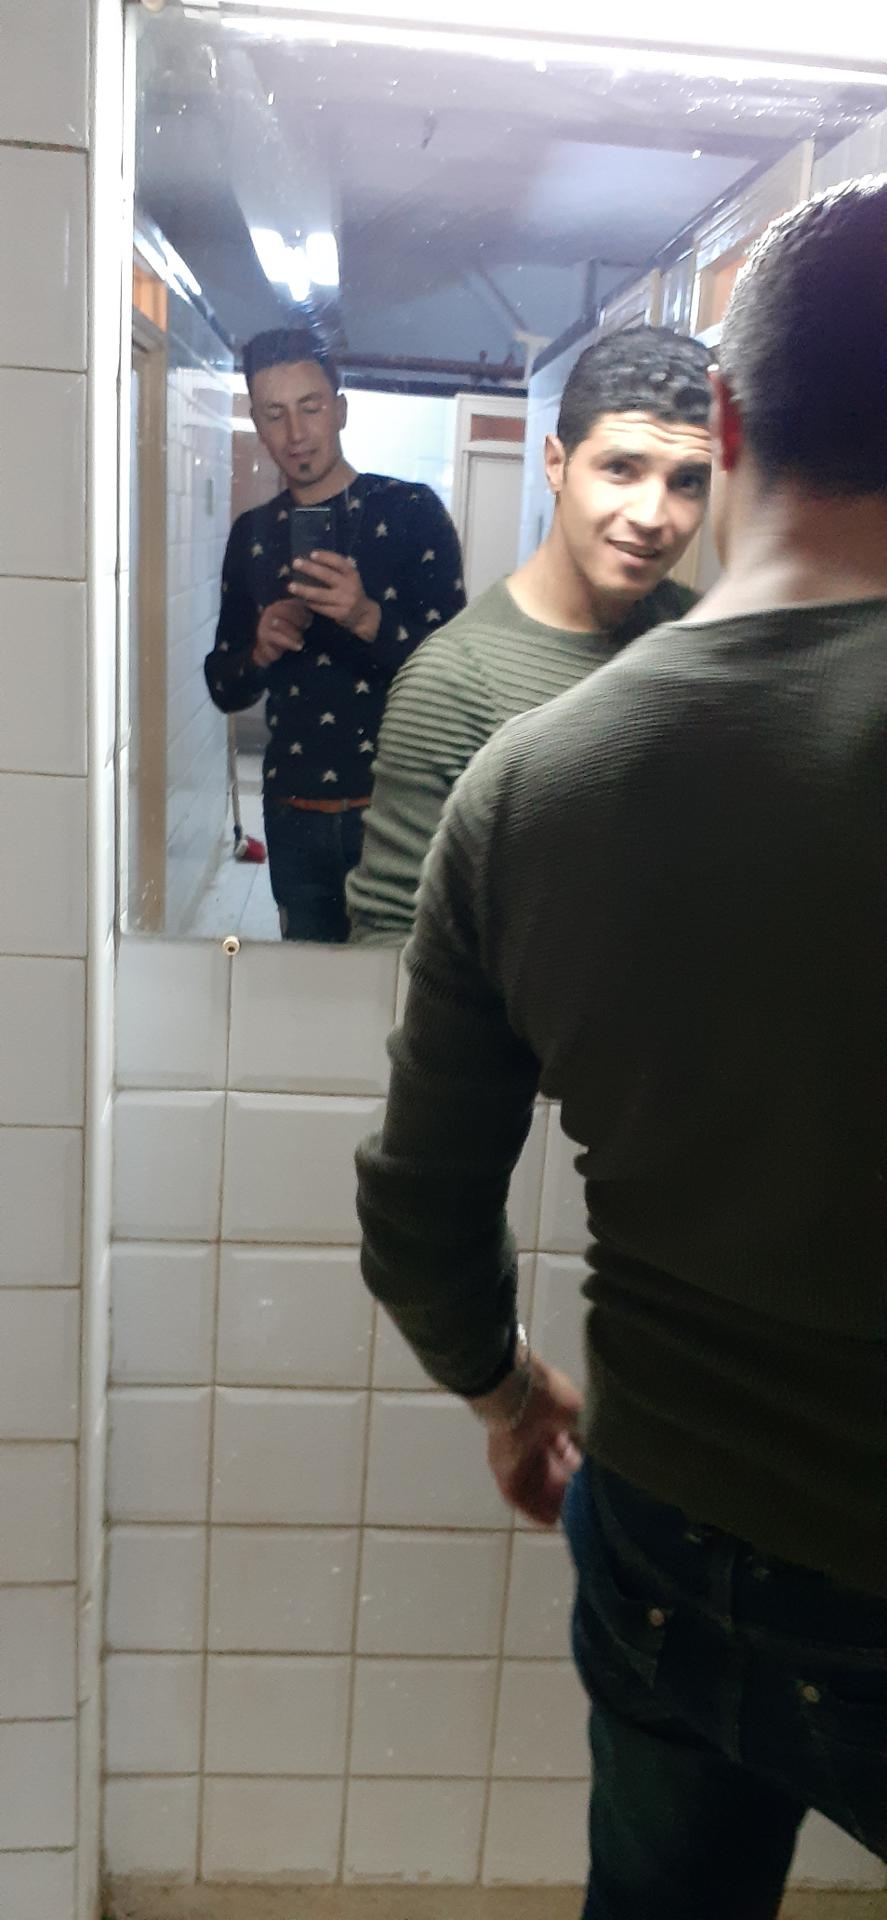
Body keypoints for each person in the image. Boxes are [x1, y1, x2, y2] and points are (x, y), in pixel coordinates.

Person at [355, 174, 887, 1917]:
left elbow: (417, 1209)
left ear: (725, 427)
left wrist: (508, 1394)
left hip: (654, 1516)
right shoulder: (469, 696)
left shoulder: (536, 784)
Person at [347, 325, 713, 943]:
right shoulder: (452, 682)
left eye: (687, 482)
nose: (654, 516)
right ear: (556, 464)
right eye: (621, 469)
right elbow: (390, 938)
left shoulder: (709, 638)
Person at [204, 327, 465, 942]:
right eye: (275, 414)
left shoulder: (411, 511)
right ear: (258, 424)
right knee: (307, 984)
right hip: (293, 812)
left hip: (399, 812)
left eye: (311, 407)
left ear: (340, 409)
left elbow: (457, 673)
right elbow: (225, 687)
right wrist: (259, 650)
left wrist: (366, 617)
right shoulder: (252, 535)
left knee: (400, 980)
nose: (296, 433)